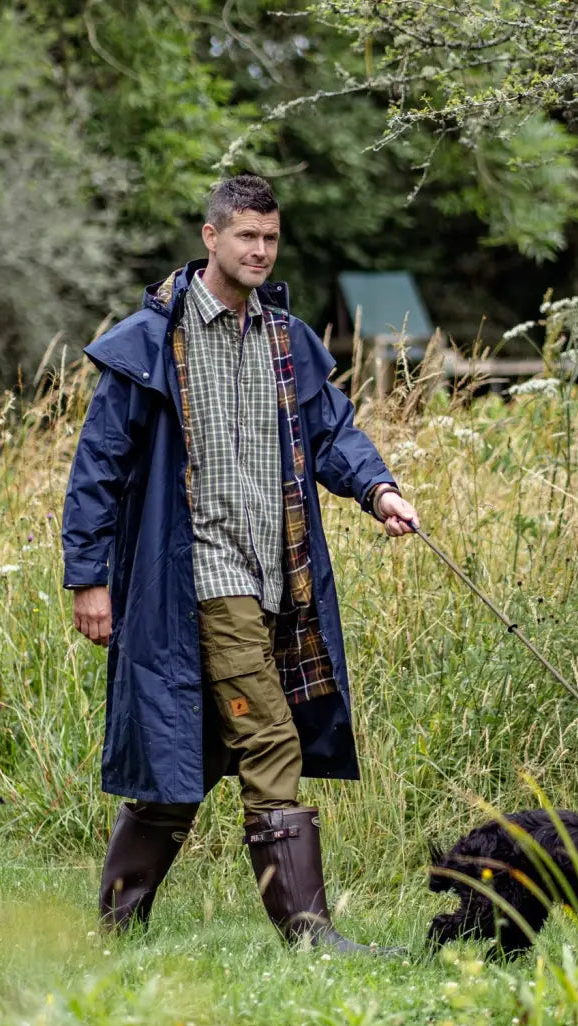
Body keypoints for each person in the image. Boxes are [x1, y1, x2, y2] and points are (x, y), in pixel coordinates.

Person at [62, 174, 419, 953]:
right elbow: (98, 468)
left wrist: (379, 490)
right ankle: (310, 935)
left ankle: (115, 930)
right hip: (192, 575)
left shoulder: (286, 341)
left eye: (270, 238)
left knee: (188, 758)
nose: (259, 251)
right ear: (211, 237)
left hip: (275, 576)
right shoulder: (150, 343)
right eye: (246, 236)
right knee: (270, 741)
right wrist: (89, 579)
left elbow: (333, 434)